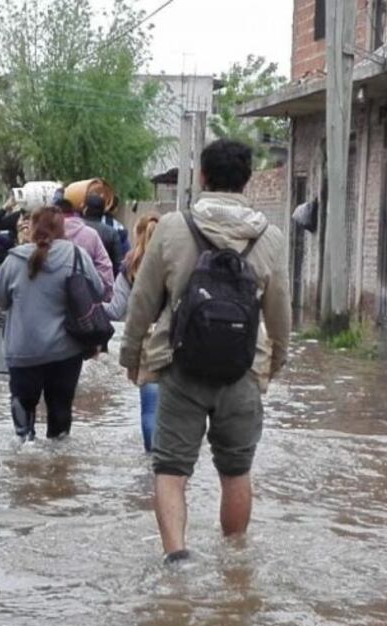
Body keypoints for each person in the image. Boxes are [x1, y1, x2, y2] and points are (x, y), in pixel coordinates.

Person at [119, 140, 291, 562]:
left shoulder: (173, 228)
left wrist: (132, 356)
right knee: (236, 472)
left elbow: (142, 301)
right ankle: (233, 565)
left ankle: (177, 558)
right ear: (247, 179)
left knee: (171, 469)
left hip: (181, 369)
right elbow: (280, 313)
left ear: (201, 177)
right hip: (243, 370)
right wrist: (274, 363)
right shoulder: (270, 238)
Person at [0, 206, 105, 444]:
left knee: (23, 426)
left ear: (31, 228)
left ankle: (26, 457)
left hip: (23, 352)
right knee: (60, 415)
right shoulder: (76, 255)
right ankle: (58, 473)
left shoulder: (14, 260)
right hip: (65, 352)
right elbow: (99, 290)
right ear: (62, 228)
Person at [103, 215, 159, 452]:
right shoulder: (179, 261)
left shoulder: (131, 265)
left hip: (146, 340)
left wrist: (88, 306)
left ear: (138, 235)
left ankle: (152, 462)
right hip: (178, 339)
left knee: (149, 409)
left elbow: (116, 310)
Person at [55, 198, 114, 301]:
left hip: (55, 300)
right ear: (73, 212)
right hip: (86, 301)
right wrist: (106, 295)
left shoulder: (48, 237)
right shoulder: (91, 234)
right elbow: (105, 267)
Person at [82, 193, 124, 277]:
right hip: (103, 281)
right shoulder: (112, 233)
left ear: (85, 209)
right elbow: (118, 264)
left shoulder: (77, 228)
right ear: (103, 211)